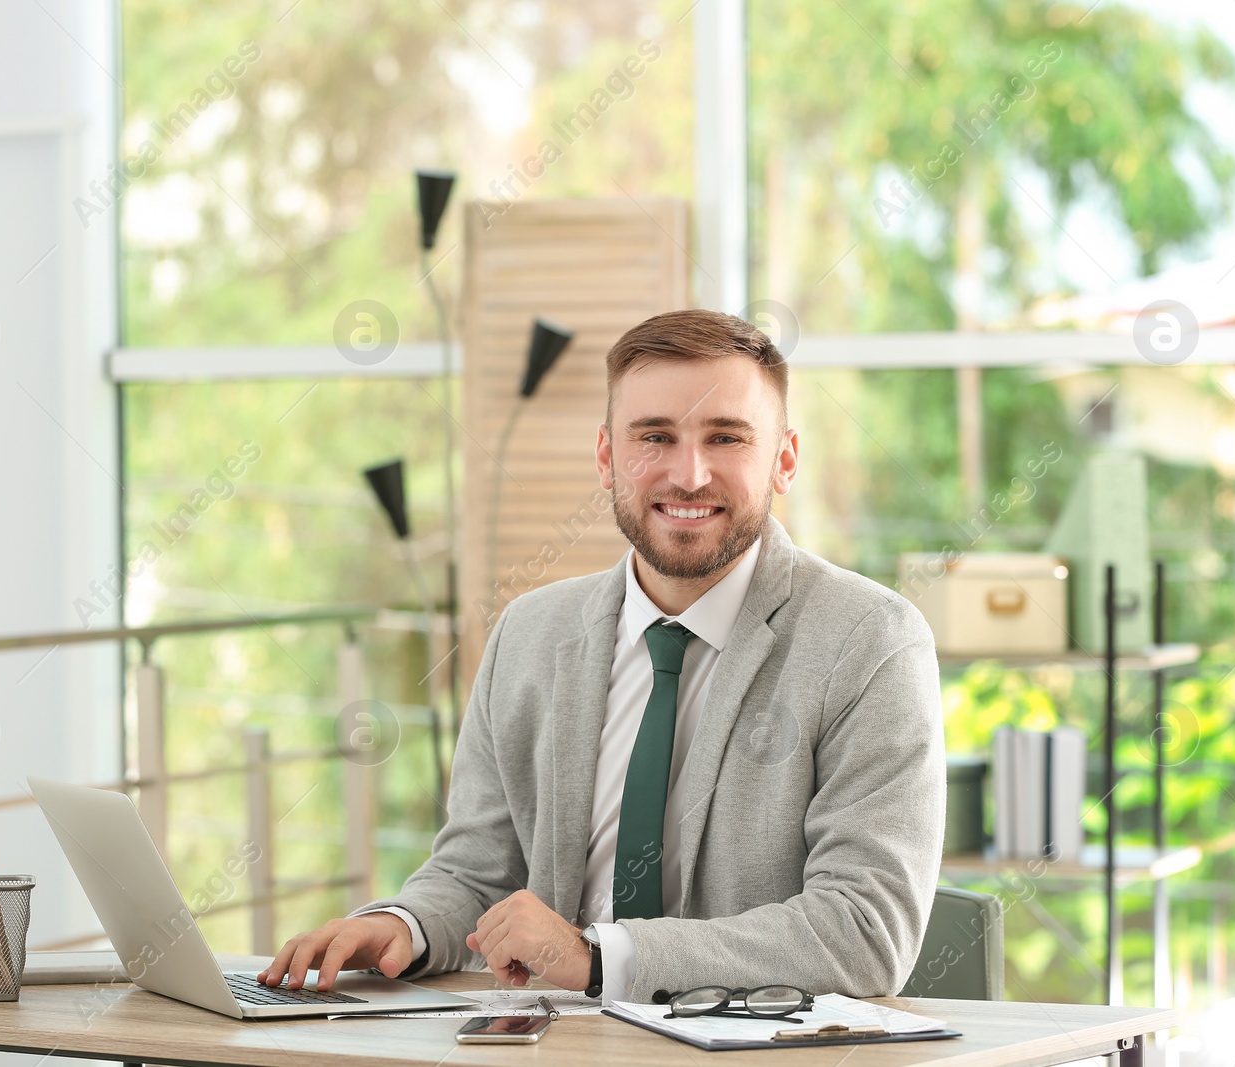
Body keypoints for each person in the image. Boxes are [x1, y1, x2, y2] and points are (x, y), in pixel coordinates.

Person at [260, 308, 944, 1003]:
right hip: (550, 1046)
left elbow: (864, 930)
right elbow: (477, 872)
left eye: (727, 437)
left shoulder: (871, 641)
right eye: (655, 436)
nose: (689, 473)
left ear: (785, 459)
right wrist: (402, 924)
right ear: (606, 456)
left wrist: (598, 955)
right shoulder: (529, 632)